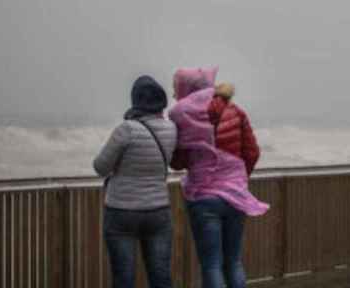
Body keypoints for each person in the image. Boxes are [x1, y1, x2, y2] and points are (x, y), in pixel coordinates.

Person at [169, 67, 269, 288]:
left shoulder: (184, 117)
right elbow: (252, 152)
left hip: (204, 197)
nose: (175, 94)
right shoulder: (236, 112)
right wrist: (238, 180)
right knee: (233, 262)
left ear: (187, 89)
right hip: (235, 195)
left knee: (212, 265)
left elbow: (177, 162)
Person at [93, 75, 178, 288]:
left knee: (124, 277)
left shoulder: (127, 129)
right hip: (158, 210)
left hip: (122, 211)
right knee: (160, 276)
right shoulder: (171, 129)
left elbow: (100, 167)